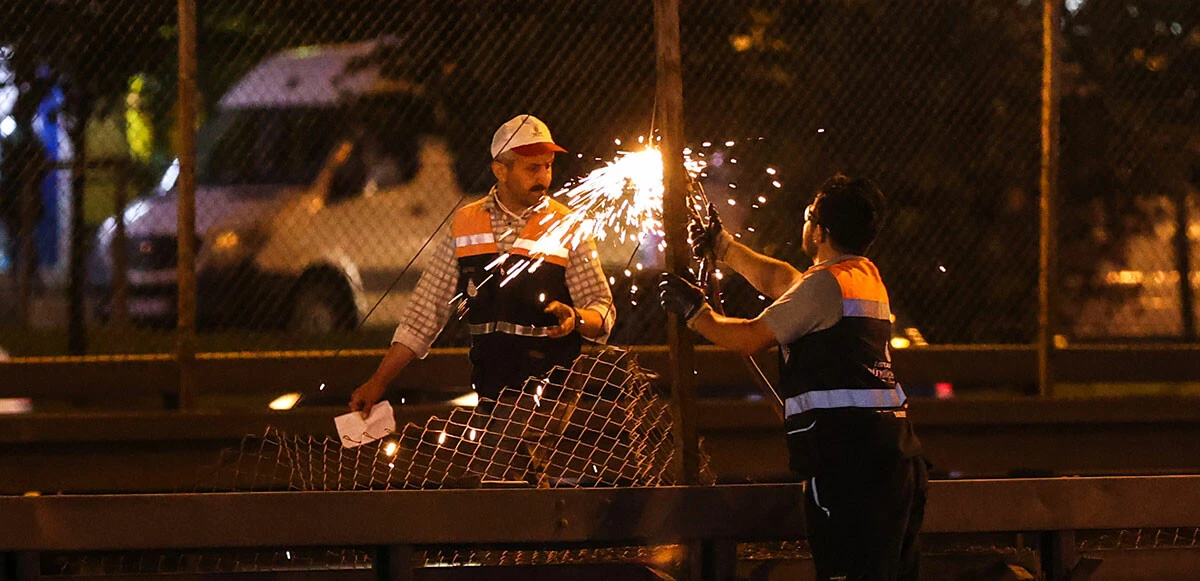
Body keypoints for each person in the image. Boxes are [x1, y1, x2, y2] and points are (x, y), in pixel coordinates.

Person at [659, 174, 926, 581]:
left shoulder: (824, 287)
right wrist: (724, 247)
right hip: (892, 460)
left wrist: (696, 313)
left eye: (809, 216)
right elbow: (783, 281)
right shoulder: (860, 277)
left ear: (819, 232)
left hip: (849, 467)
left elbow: (750, 337)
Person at [350, 114, 615, 415]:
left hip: (555, 400)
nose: (544, 177)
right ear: (500, 170)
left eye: (548, 165)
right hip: (492, 396)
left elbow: (602, 307)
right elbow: (423, 315)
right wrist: (377, 383)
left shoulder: (567, 225)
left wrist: (577, 318)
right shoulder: (466, 223)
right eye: (532, 168)